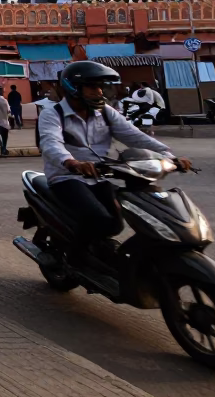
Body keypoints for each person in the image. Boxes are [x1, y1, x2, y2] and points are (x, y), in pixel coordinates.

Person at [38, 61, 190, 256]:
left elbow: (134, 136)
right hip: (66, 177)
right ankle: (75, 257)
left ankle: (100, 251)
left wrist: (170, 156)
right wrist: (71, 162)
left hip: (101, 176)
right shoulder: (53, 114)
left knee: (118, 220)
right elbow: (51, 142)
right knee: (97, 216)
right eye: (92, 87)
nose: (99, 92)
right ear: (73, 88)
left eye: (101, 87)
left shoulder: (106, 113)